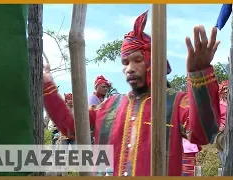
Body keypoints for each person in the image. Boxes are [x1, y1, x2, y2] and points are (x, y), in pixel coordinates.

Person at [43, 11, 221, 176]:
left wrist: (199, 74)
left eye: (137, 60)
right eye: (125, 62)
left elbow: (203, 134)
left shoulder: (176, 102)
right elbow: (72, 128)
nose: (130, 68)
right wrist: (47, 87)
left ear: (153, 61)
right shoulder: (108, 106)